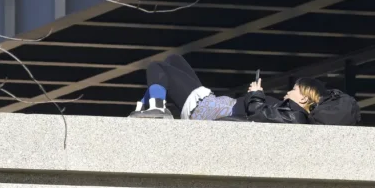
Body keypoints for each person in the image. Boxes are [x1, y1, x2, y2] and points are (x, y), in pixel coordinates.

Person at [130, 53, 325, 123]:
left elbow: (258, 114)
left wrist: (256, 94)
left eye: (296, 89)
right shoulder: (286, 111)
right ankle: (145, 105)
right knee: (174, 59)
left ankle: (155, 108)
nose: (290, 90)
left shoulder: (290, 114)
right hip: (210, 102)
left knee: (157, 67)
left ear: (304, 98)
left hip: (204, 111)